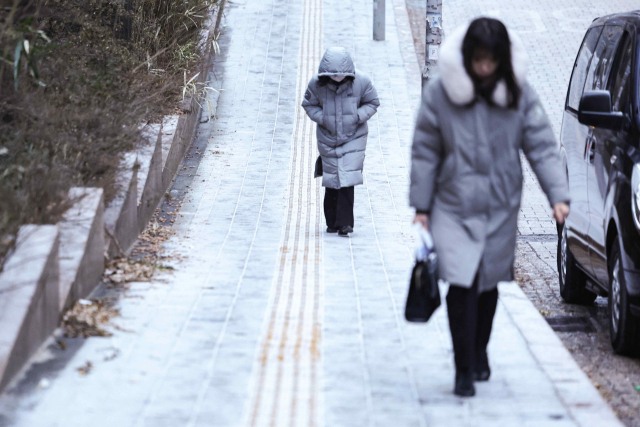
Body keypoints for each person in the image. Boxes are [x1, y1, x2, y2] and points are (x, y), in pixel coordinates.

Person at [409, 18, 571, 397]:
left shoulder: (518, 92)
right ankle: (463, 368)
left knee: (487, 285)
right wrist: (421, 204)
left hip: (500, 205)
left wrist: (557, 195)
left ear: (500, 59)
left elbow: (541, 143)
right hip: (452, 203)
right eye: (478, 59)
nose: (484, 67)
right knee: (460, 284)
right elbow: (425, 149)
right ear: (467, 57)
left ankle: (479, 350)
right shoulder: (441, 92)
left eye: (490, 60)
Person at [302, 47, 380, 236]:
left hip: (354, 137)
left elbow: (373, 102)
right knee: (331, 179)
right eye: (333, 74)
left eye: (341, 74)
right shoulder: (317, 84)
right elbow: (308, 104)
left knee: (347, 179)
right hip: (328, 136)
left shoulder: (361, 82)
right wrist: (323, 118)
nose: (337, 77)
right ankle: (332, 222)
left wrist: (356, 116)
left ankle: (345, 224)